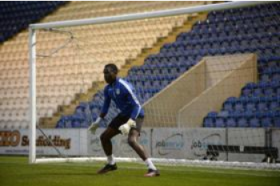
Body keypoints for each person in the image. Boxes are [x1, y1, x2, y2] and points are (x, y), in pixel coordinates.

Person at [88, 63, 159, 177]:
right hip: (123, 115)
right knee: (104, 137)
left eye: (107, 72)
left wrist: (130, 123)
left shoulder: (124, 86)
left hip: (136, 115)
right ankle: (111, 164)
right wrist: (97, 121)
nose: (105, 75)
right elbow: (105, 107)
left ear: (115, 73)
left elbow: (137, 106)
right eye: (104, 73)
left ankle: (153, 168)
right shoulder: (108, 89)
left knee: (131, 140)